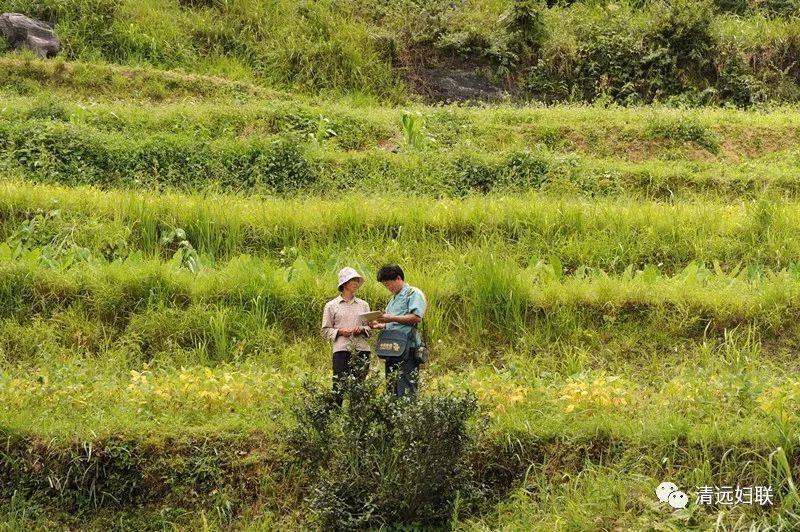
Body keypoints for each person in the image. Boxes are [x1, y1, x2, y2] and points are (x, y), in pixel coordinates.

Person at [369, 264, 427, 397]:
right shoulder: (393, 299)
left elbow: (416, 318)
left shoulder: (413, 293)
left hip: (408, 347)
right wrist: (380, 325)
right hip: (392, 348)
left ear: (399, 278)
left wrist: (390, 317)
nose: (388, 288)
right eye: (385, 285)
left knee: (406, 387)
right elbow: (395, 324)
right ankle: (393, 417)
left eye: (389, 284)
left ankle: (407, 417)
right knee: (392, 386)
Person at [321, 267, 371, 406]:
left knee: (360, 386)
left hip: (362, 350)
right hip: (341, 350)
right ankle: (335, 417)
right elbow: (325, 330)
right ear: (344, 283)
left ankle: (357, 418)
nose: (356, 283)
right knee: (339, 385)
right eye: (353, 280)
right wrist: (340, 332)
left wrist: (361, 329)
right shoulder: (331, 306)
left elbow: (369, 328)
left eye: (357, 280)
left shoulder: (364, 305)